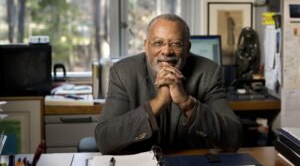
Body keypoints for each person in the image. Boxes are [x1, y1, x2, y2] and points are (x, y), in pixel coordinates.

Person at [95, 14, 242, 154]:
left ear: (188, 48)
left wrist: (187, 103)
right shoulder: (124, 72)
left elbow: (233, 139)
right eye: (158, 43)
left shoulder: (208, 73)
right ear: (146, 46)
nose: (166, 51)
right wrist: (157, 104)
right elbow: (104, 140)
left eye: (176, 44)